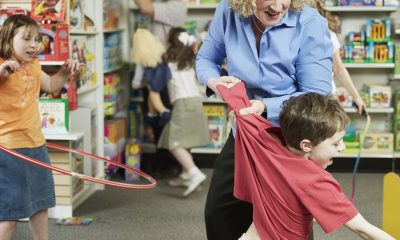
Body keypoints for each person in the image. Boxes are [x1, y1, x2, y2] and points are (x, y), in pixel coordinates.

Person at [195, 0, 334, 239]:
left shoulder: (310, 23)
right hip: (244, 135)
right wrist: (214, 81)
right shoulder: (228, 12)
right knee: (220, 215)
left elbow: (316, 94)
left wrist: (264, 106)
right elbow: (206, 59)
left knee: (284, 221)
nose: (278, 6)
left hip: (287, 140)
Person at [215, 81, 395, 240]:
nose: (342, 148)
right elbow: (364, 230)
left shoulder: (267, 145)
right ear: (307, 145)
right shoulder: (317, 181)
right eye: (336, 143)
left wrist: (236, 99)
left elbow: (244, 115)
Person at [0, 15, 78, 240]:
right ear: (7, 38)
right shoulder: (2, 64)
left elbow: (52, 85)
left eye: (37, 39)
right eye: (26, 39)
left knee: (40, 203)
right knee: (9, 213)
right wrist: (3, 71)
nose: (34, 45)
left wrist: (64, 72)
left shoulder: (33, 65)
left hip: (36, 142)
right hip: (9, 147)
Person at [151, 27, 210, 197]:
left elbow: (155, 88)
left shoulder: (167, 63)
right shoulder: (190, 62)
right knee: (185, 140)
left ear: (170, 43)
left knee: (173, 142)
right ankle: (186, 174)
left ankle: (194, 173)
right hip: (196, 103)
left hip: (182, 104)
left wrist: (161, 110)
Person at [132, 0, 187, 178]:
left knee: (166, 119)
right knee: (156, 120)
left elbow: (144, 7)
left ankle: (172, 163)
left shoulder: (176, 6)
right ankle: (164, 161)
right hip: (156, 69)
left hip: (165, 73)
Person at [309, 0, 367, 114]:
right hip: (315, 99)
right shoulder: (326, 33)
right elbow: (339, 70)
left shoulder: (327, 34)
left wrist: (356, 97)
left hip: (321, 99)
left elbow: (339, 69)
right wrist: (356, 97)